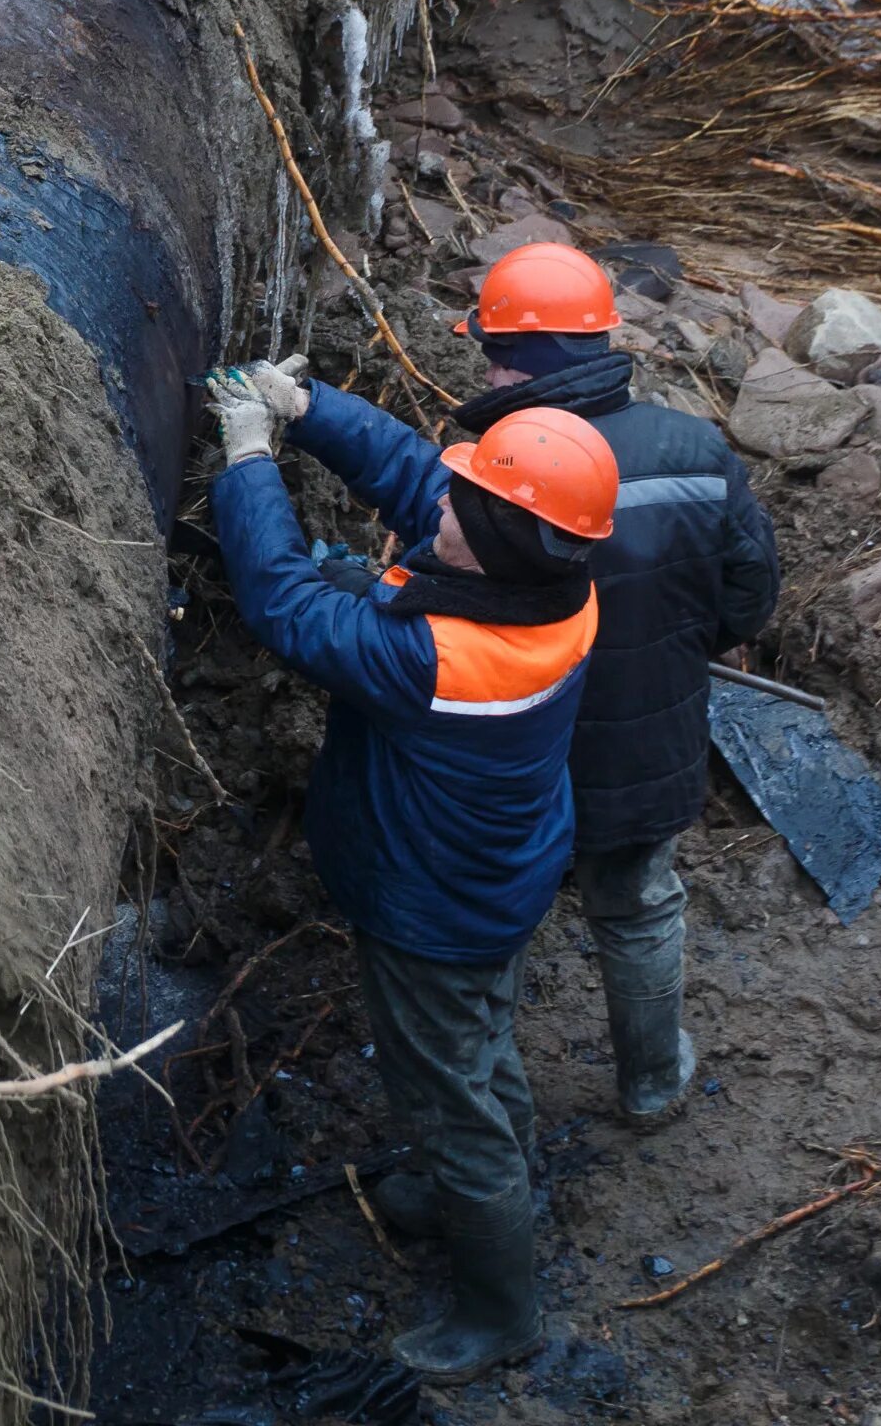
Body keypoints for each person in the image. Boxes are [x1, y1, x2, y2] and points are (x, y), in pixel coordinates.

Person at [205, 357, 617, 1383]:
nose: (441, 507)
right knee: (480, 1048)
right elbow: (415, 474)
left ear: (504, 539)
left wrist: (250, 455)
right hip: (498, 872)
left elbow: (286, 602)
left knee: (448, 1089)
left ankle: (499, 1309)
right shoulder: (550, 582)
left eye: (465, 507)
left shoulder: (444, 658)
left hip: (432, 904)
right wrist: (310, 409)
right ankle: (484, 1182)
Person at [451, 242, 781, 1118]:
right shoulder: (696, 448)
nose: (486, 362)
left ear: (529, 357)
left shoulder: (495, 469)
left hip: (523, 749)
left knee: (499, 927)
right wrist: (681, 645)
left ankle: (490, 1122)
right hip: (651, 741)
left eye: (495, 346)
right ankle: (653, 1082)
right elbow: (751, 596)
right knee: (636, 909)